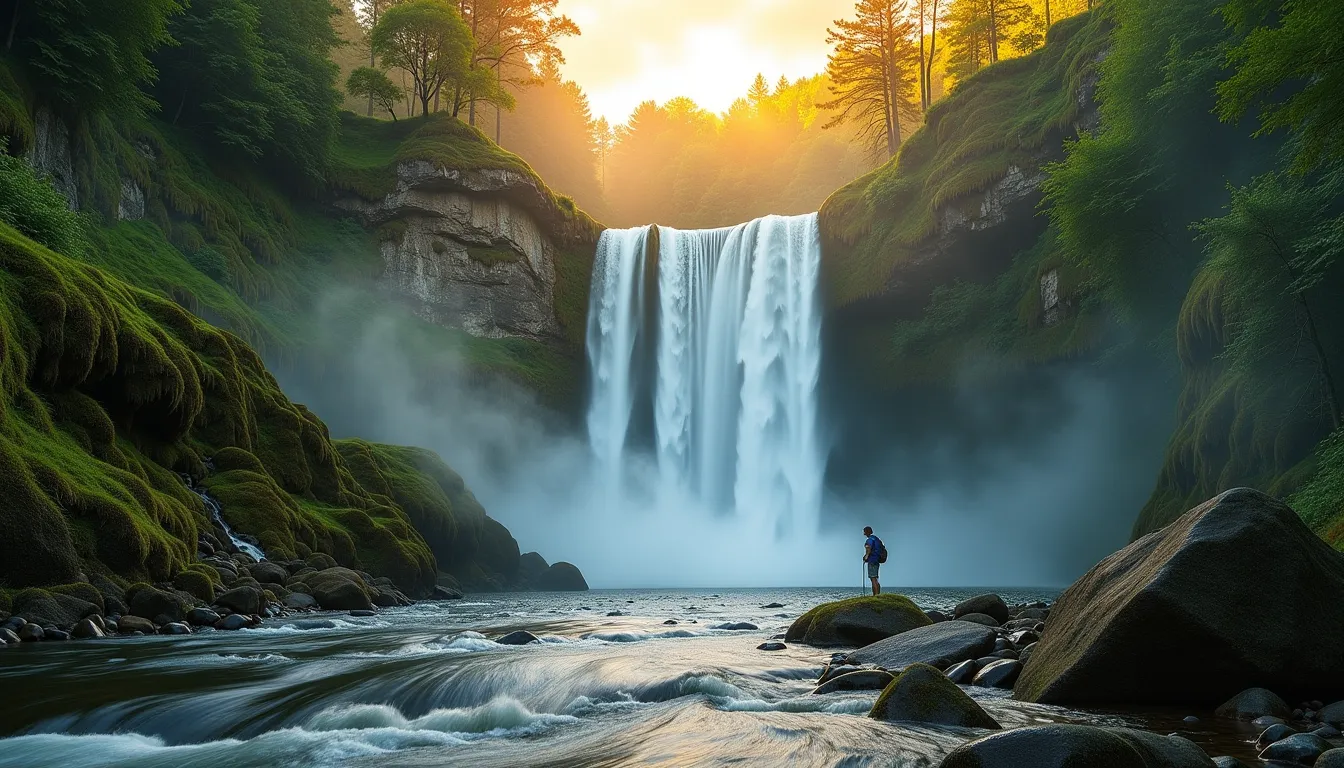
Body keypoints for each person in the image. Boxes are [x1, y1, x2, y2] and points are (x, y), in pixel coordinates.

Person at [863, 526, 881, 595]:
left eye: (864, 532)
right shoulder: (876, 539)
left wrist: (866, 556)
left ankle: (875, 595)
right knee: (875, 578)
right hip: (877, 560)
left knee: (873, 579)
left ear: (866, 532)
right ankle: (878, 594)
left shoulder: (869, 540)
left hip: (872, 560)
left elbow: (868, 548)